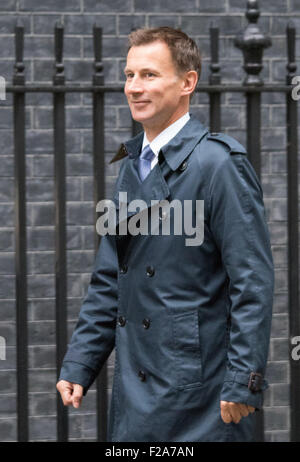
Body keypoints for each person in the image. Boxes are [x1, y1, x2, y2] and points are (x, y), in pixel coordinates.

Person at [56, 27, 274, 442]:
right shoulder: (130, 165)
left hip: (202, 393)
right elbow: (110, 278)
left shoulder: (219, 164)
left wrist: (243, 379)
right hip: (138, 385)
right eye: (129, 75)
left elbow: (253, 281)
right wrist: (81, 363)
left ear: (187, 82)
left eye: (150, 75)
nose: (134, 88)